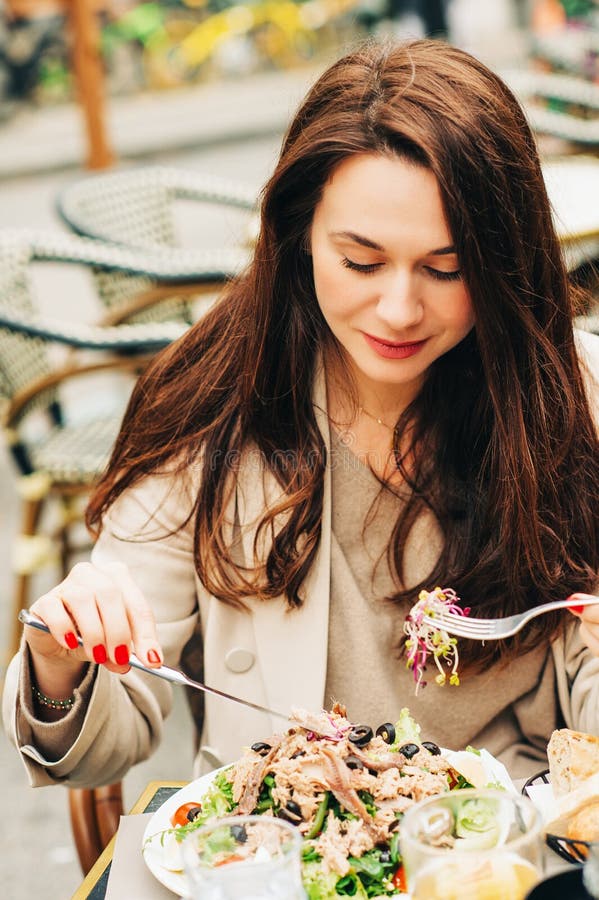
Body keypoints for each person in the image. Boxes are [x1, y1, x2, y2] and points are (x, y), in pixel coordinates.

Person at [3, 38, 598, 789]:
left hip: (506, 850)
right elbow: (100, 742)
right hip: (276, 846)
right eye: (360, 260)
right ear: (297, 236)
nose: (399, 308)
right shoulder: (212, 406)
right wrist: (62, 660)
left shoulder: (568, 398)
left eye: (447, 270)